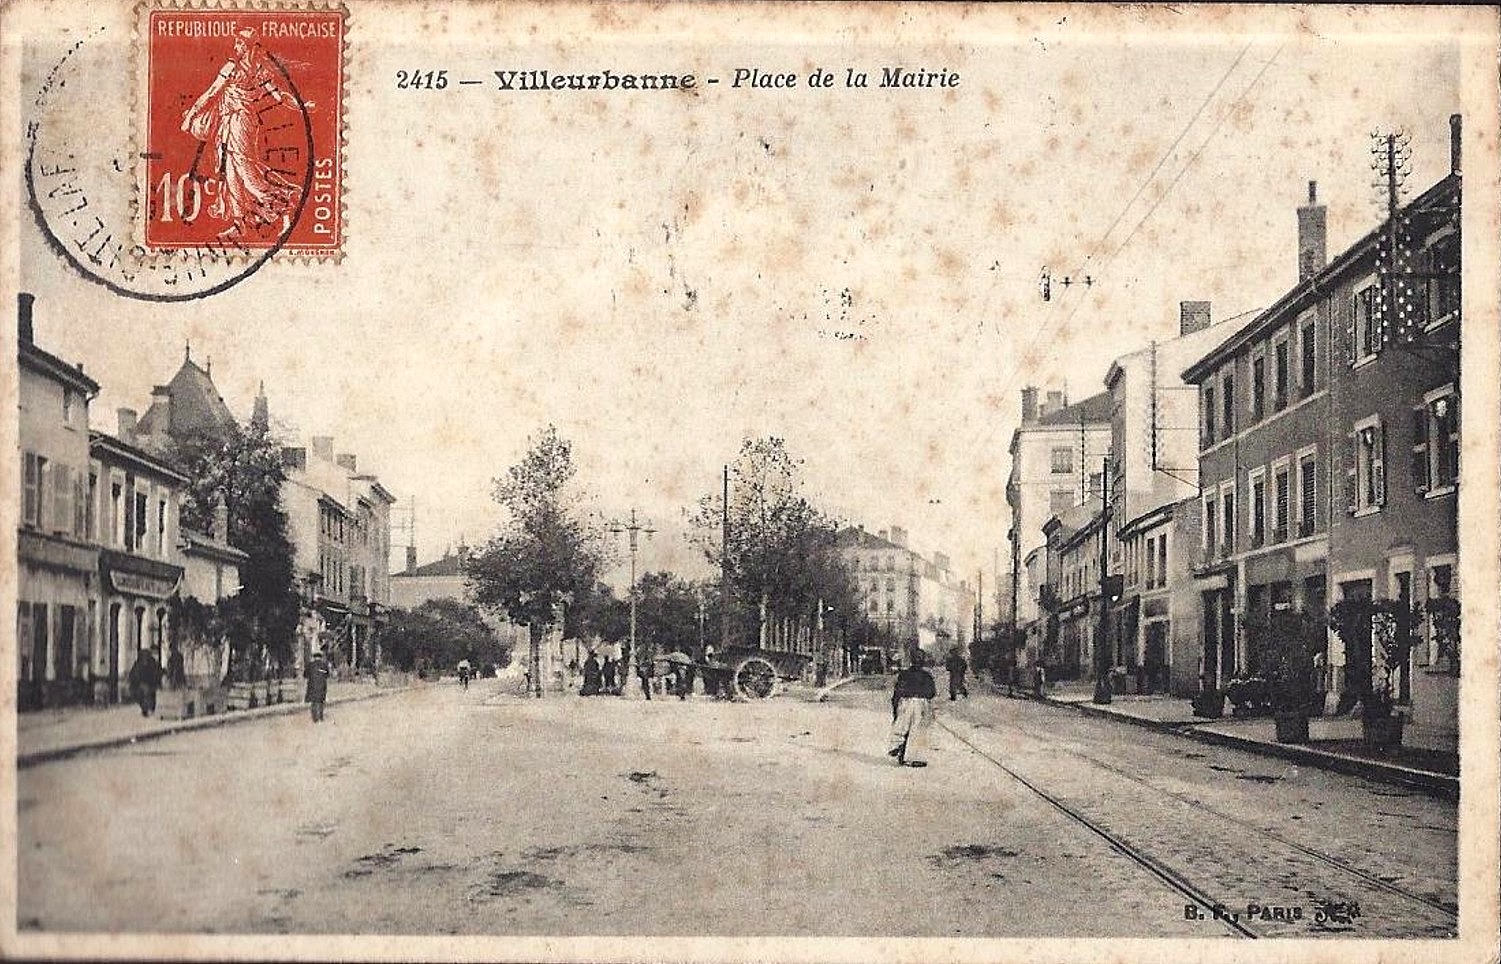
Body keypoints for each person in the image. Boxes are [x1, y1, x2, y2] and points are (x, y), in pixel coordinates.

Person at [180, 29, 311, 237]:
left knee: (248, 174)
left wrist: (301, 106)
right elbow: (212, 92)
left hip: (242, 122)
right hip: (228, 122)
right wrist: (192, 114)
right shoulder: (232, 67)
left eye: (240, 44)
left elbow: (279, 96)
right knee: (230, 174)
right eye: (236, 44)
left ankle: (286, 207)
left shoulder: (259, 70)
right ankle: (240, 225)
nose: (236, 48)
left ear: (250, 47)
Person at [888, 651, 937, 767]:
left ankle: (899, 748)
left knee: (903, 727)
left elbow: (898, 691)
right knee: (918, 729)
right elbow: (931, 693)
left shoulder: (904, 674)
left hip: (907, 702)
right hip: (920, 703)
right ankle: (914, 756)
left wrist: (895, 706)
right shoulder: (927, 676)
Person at [127, 647, 163, 717]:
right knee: (146, 693)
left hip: (146, 684)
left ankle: (147, 709)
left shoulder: (150, 662)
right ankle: (147, 709)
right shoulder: (144, 663)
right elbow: (134, 675)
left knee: (148, 693)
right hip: (142, 684)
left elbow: (156, 673)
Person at [305, 648, 330, 723]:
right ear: (320, 657)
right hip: (322, 685)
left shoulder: (310, 665)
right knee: (321, 701)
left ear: (314, 657)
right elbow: (327, 675)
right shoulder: (324, 665)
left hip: (312, 685)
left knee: (313, 702)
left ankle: (314, 718)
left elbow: (305, 675)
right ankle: (321, 717)